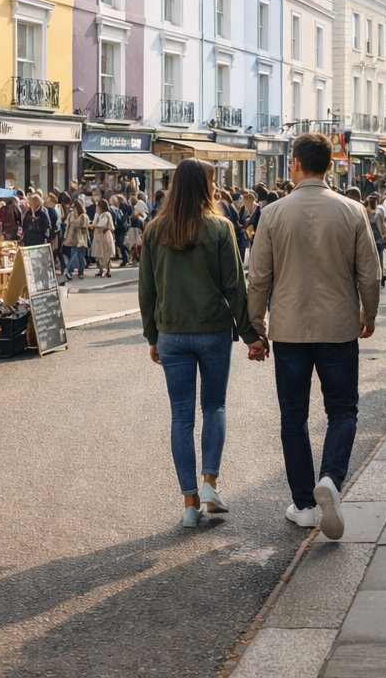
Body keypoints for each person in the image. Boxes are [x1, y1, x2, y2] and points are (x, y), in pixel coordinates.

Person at [247, 133, 380, 537]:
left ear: (298, 164)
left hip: (288, 328)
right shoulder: (353, 210)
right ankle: (330, 479)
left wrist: (256, 326)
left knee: (294, 416)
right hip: (339, 326)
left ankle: (304, 504)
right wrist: (368, 314)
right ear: (328, 166)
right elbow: (370, 274)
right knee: (342, 410)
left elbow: (258, 278)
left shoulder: (271, 214)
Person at [139, 158, 260, 528]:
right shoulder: (220, 228)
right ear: (207, 187)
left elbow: (147, 290)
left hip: (172, 333)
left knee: (180, 416)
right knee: (214, 406)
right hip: (212, 331)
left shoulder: (154, 229)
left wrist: (152, 335)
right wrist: (251, 334)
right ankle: (210, 483)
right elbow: (234, 286)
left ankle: (189, 502)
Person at [61, 198, 89, 283]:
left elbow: (84, 226)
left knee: (79, 255)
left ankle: (79, 271)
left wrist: (73, 224)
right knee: (74, 255)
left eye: (74, 208)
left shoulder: (83, 216)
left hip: (80, 238)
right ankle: (70, 271)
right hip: (73, 238)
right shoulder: (72, 215)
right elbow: (67, 223)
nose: (73, 209)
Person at [90, 198, 117, 277]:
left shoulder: (106, 214)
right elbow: (95, 223)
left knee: (105, 253)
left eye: (98, 206)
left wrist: (92, 225)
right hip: (99, 236)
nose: (96, 208)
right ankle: (101, 270)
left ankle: (107, 270)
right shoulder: (98, 214)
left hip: (104, 236)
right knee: (99, 254)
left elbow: (101, 224)